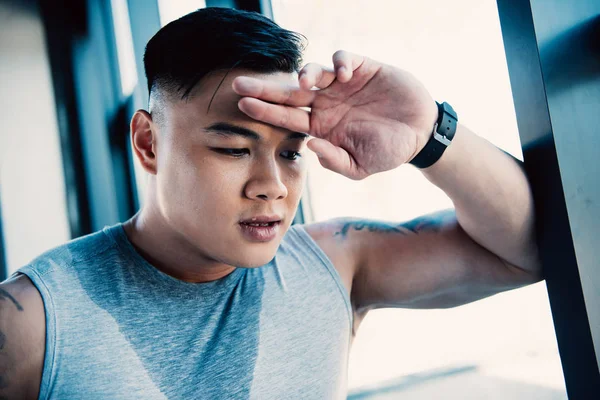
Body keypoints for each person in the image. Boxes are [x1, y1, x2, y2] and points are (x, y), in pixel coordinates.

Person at [0, 7, 542, 399]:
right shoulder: (33, 323)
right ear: (148, 143)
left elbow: (530, 250)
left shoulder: (334, 263)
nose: (273, 186)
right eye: (234, 149)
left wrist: (428, 135)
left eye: (290, 152)